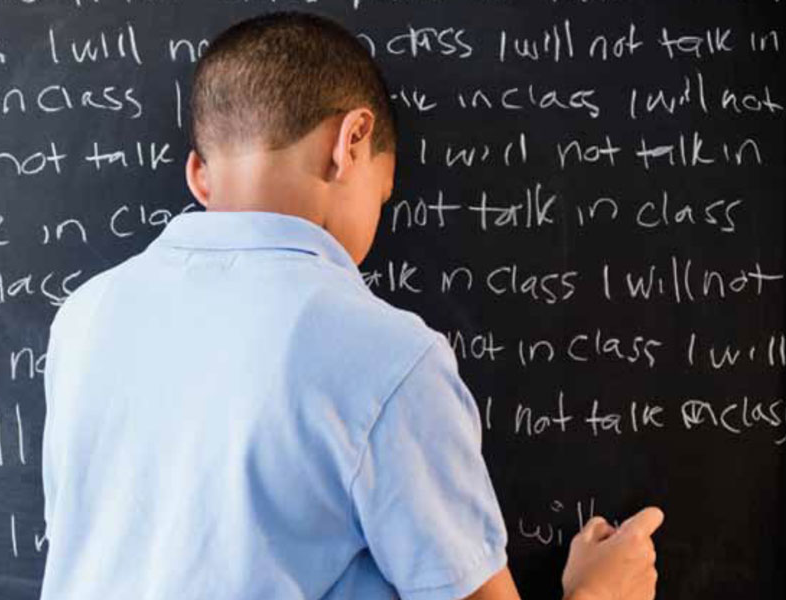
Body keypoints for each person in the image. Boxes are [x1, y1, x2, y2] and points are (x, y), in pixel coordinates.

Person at [39, 10, 663, 600]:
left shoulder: (86, 317)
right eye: (384, 194)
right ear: (352, 140)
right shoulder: (386, 354)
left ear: (201, 175)